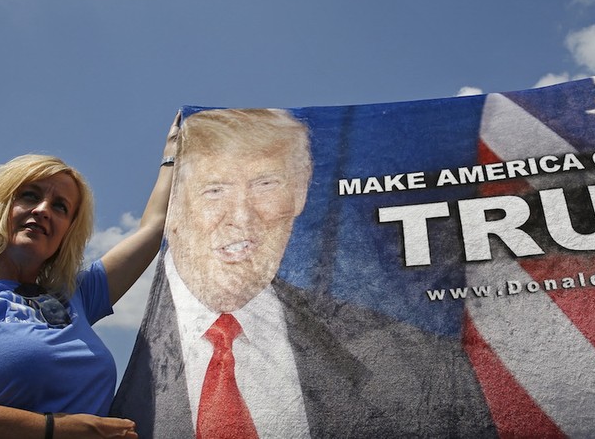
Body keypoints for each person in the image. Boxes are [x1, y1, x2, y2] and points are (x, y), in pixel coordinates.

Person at [111, 108, 496, 438]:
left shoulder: (422, 364)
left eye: (266, 184)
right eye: (214, 190)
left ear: (301, 190)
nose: (242, 216)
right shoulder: (83, 350)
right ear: (175, 205)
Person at [0, 114, 180, 438]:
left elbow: (153, 228)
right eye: (29, 195)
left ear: (67, 233)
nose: (43, 210)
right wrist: (55, 428)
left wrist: (172, 155)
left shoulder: (77, 295)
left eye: (61, 206)